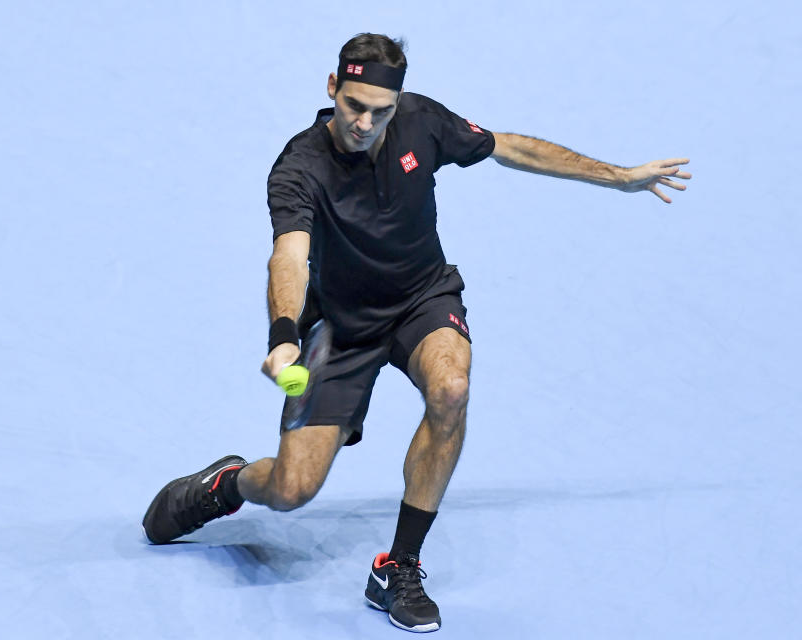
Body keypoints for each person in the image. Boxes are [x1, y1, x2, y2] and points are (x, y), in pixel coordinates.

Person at [143, 33, 690, 633]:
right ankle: (229, 483)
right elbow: (289, 259)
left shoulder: (422, 121)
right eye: (354, 105)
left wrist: (617, 176)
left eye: (380, 110)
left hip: (421, 300)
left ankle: (398, 566)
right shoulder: (299, 165)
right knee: (293, 489)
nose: (365, 122)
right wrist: (282, 336)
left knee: (451, 389)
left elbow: (511, 148)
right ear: (333, 89)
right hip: (339, 328)